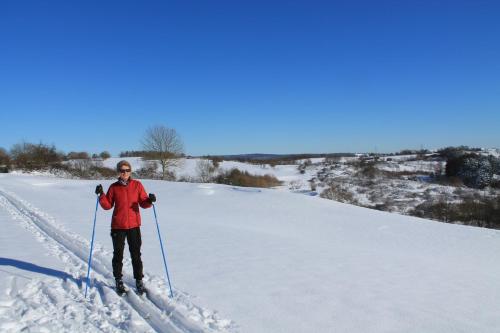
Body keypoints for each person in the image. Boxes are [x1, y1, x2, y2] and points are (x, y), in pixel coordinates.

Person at [95, 160, 156, 295]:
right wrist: (101, 195)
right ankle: (118, 280)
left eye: (127, 170)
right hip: (118, 226)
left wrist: (150, 201)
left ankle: (139, 281)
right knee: (118, 254)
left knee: (136, 255)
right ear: (118, 172)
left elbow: (143, 203)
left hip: (134, 226)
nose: (125, 173)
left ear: (130, 171)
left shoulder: (137, 185)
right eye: (122, 170)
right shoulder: (114, 187)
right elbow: (107, 205)